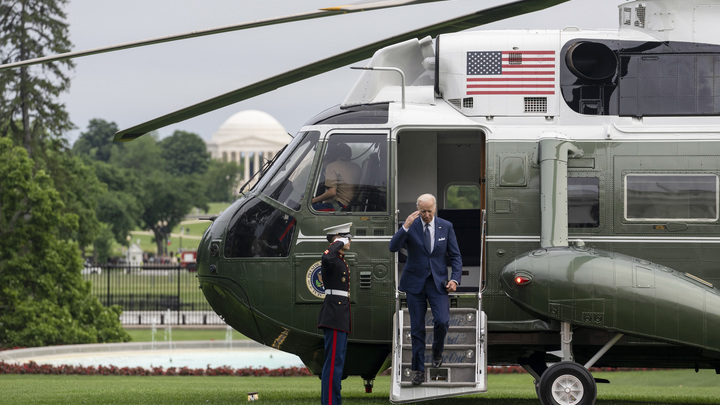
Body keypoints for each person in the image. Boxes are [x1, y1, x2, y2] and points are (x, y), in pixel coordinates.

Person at [389, 194, 462, 386]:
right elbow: (392, 247)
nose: (427, 215)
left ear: (435, 208)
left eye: (430, 211)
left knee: (442, 321)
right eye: (423, 211)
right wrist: (405, 226)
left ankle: (437, 350)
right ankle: (418, 370)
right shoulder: (410, 225)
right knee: (417, 329)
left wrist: (454, 279)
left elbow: (455, 256)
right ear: (417, 209)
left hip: (438, 283)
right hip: (415, 283)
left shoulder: (446, 226)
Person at [318, 222, 353, 405]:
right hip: (334, 315)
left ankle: (333, 401)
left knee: (337, 363)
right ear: (337, 239)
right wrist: (338, 242)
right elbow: (326, 258)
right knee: (332, 365)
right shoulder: (331, 257)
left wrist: (339, 243)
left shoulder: (340, 260)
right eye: (347, 238)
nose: (350, 241)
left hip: (339, 315)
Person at [312, 143, 361, 211]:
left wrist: (314, 200)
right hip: (352, 205)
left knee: (309, 210)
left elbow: (332, 192)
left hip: (341, 206)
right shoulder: (357, 167)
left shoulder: (332, 166)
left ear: (335, 154)